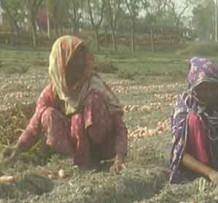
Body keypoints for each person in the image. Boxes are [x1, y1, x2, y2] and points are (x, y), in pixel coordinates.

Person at [1, 36, 127, 173]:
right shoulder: (53, 91)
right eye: (74, 59)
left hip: (103, 149)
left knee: (86, 109)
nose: (80, 63)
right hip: (76, 149)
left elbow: (119, 125)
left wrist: (119, 158)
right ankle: (70, 161)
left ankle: (94, 161)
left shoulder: (94, 87)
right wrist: (18, 148)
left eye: (81, 58)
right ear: (61, 63)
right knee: (47, 114)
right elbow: (34, 126)